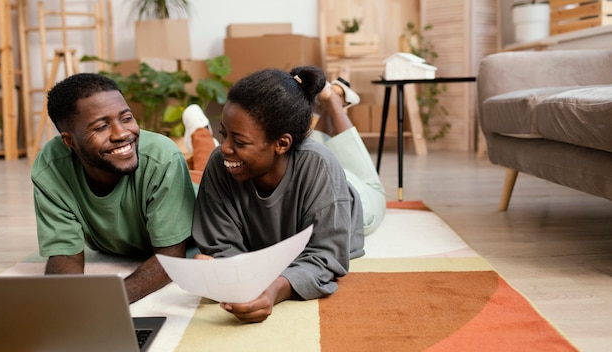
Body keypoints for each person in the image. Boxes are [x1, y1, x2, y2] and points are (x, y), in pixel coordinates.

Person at [191, 66, 386, 323]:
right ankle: (324, 105)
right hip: (297, 159)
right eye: (223, 134)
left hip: (350, 195)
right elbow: (220, 245)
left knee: (368, 182)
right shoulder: (223, 162)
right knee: (313, 141)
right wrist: (228, 274)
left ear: (282, 143)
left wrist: (273, 290)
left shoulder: (321, 167)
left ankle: (334, 101)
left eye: (239, 141)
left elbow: (325, 256)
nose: (224, 148)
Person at [32, 73, 214, 303]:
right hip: (144, 165)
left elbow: (170, 257)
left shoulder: (163, 157)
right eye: (102, 126)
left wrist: (109, 301)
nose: (122, 134)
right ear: (69, 141)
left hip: (197, 188)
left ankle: (200, 130)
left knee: (209, 162)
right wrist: (68, 304)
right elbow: (64, 254)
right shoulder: (51, 169)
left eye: (126, 118)